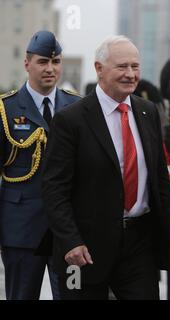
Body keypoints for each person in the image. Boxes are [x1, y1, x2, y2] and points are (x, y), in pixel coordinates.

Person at [42, 35, 170, 300]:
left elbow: (158, 179)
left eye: (135, 67)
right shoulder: (71, 120)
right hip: (85, 249)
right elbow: (54, 188)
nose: (130, 74)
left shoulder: (148, 112)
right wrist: (70, 241)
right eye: (122, 67)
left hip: (139, 245)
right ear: (99, 69)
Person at [0, 30, 81, 300]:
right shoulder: (7, 110)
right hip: (21, 231)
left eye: (56, 62)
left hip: (69, 234)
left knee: (73, 297)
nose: (50, 69)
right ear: (27, 64)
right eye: (42, 62)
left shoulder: (77, 107)